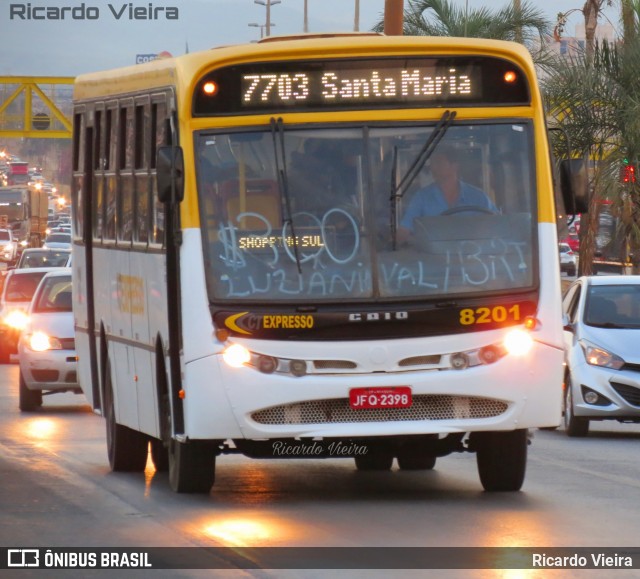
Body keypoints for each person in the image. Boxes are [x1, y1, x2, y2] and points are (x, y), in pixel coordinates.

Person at [397, 144, 498, 245]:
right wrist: (419, 242)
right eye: (431, 163)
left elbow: (497, 225)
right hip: (432, 258)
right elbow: (404, 231)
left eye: (438, 162)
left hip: (472, 256)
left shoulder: (478, 197)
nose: (433, 167)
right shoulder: (421, 198)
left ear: (454, 166)